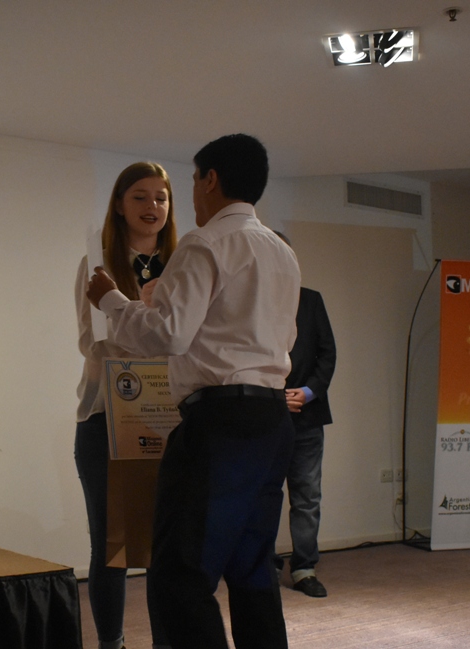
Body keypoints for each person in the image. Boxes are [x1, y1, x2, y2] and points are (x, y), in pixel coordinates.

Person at [87, 134, 300, 649]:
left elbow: (168, 335)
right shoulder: (281, 251)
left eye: (185, 184)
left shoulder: (204, 244)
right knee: (253, 570)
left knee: (180, 574)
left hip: (219, 423)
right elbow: (283, 336)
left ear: (210, 180)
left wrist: (114, 303)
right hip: (272, 420)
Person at [75, 161, 177, 649]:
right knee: (111, 547)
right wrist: (144, 319)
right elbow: (94, 342)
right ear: (119, 204)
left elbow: (186, 341)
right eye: (140, 196)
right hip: (106, 416)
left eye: (161, 197)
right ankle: (110, 643)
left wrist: (133, 319)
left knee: (165, 549)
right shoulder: (97, 265)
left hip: (170, 419)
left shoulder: (184, 265)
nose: (152, 206)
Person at [274, 233, 337, 599]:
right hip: (265, 416)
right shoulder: (248, 301)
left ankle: (303, 568)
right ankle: (263, 566)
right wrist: (274, 397)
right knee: (263, 496)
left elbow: (327, 355)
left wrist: (308, 392)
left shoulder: (311, 300)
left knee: (307, 497)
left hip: (307, 417)